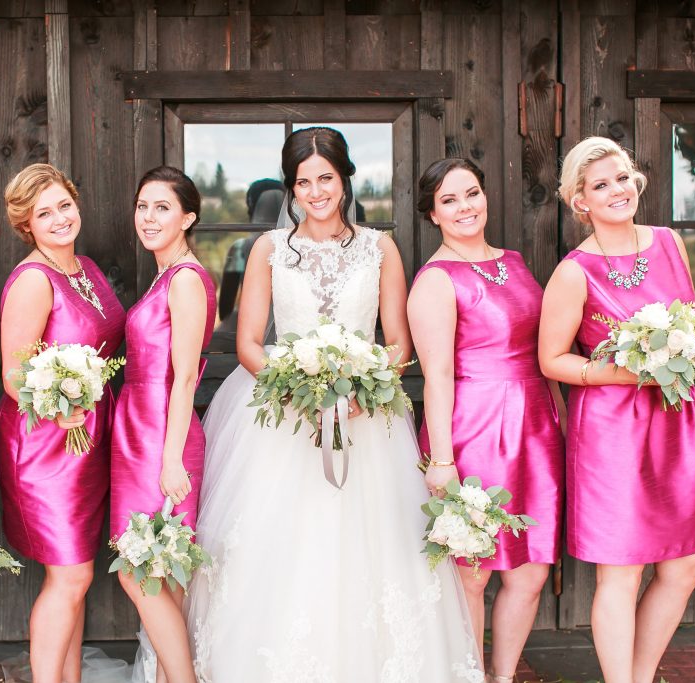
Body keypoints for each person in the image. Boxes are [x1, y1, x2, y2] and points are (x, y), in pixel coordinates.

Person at [185, 127, 483, 682]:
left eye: (326, 178)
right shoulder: (269, 250)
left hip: (368, 417)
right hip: (280, 415)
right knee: (282, 546)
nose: (316, 191)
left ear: (344, 178)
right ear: (291, 188)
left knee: (372, 546)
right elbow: (249, 341)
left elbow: (397, 342)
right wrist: (297, 388)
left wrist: (362, 387)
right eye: (304, 182)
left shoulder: (379, 247)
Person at [538, 136, 695, 683]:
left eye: (622, 177)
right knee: (623, 572)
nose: (617, 190)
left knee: (684, 566)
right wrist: (626, 372)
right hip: (612, 430)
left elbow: (693, 327)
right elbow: (551, 360)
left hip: (675, 421)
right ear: (579, 200)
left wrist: (677, 352)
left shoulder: (669, 243)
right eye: (600, 184)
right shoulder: (574, 271)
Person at [409, 158, 565, 681]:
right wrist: (442, 460)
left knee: (532, 568)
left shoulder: (516, 261)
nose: (465, 207)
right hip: (473, 430)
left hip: (535, 428)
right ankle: (468, 674)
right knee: (472, 573)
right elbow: (436, 376)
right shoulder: (435, 280)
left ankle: (502, 675)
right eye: (449, 200)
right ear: (432, 213)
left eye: (471, 193)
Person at [0, 163, 126, 683]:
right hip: (45, 443)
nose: (58, 219)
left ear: (77, 203)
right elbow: (13, 373)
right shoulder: (32, 279)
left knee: (76, 576)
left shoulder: (86, 267)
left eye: (63, 205)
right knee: (70, 576)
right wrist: (55, 404)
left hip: (86, 439)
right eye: (42, 213)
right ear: (26, 224)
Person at [110, 166, 216, 683]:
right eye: (142, 206)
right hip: (138, 430)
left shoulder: (188, 280)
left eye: (163, 208)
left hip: (161, 434)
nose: (149, 218)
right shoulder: (165, 273)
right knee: (161, 577)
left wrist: (172, 458)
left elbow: (184, 377)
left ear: (188, 217)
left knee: (141, 572)